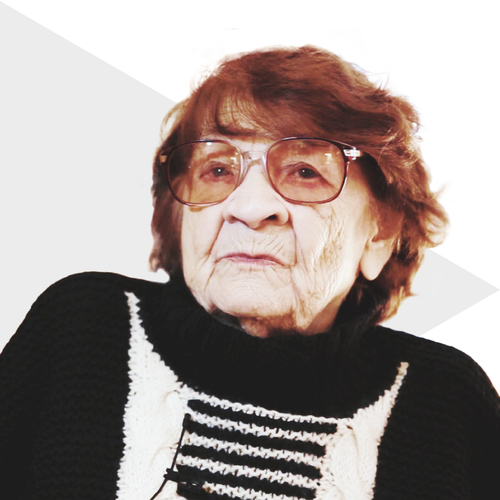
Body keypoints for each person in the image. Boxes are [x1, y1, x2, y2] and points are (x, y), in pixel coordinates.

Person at [0, 46, 499, 500]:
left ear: (381, 233)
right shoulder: (84, 330)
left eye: (305, 172)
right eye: (217, 170)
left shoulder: (444, 404)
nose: (251, 207)